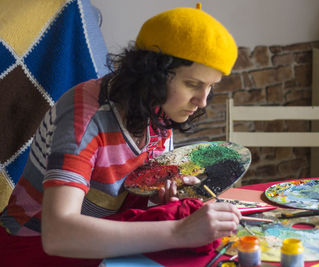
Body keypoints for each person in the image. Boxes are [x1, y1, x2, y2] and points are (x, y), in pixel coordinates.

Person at [0, 3, 240, 266]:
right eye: (193, 84)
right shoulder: (85, 116)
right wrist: (178, 231)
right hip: (33, 246)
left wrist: (159, 200)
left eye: (210, 87)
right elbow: (58, 234)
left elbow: (126, 193)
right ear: (153, 73)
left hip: (101, 235)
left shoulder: (160, 110)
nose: (202, 101)